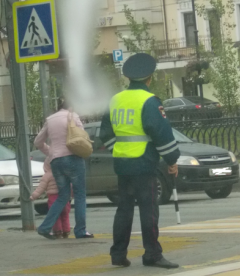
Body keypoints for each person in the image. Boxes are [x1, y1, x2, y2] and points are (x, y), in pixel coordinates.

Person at [100, 53, 180, 268]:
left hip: (122, 164)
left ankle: (118, 255)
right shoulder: (149, 101)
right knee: (149, 209)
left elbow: (105, 134)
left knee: (124, 209)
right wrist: (172, 160)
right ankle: (152, 254)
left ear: (128, 78)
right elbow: (161, 132)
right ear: (149, 78)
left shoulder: (115, 99)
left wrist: (117, 149)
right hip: (144, 163)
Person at [34, 97, 93, 240]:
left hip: (56, 161)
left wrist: (51, 152)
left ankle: (45, 227)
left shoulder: (50, 119)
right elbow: (82, 135)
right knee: (79, 195)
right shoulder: (73, 116)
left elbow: (38, 142)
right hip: (73, 158)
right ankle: (80, 230)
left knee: (63, 196)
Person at [30, 157, 71, 239]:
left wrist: (34, 196)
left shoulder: (47, 175)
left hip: (53, 198)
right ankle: (66, 231)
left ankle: (58, 232)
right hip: (65, 197)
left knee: (56, 216)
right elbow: (70, 185)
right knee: (65, 215)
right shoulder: (64, 173)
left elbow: (41, 188)